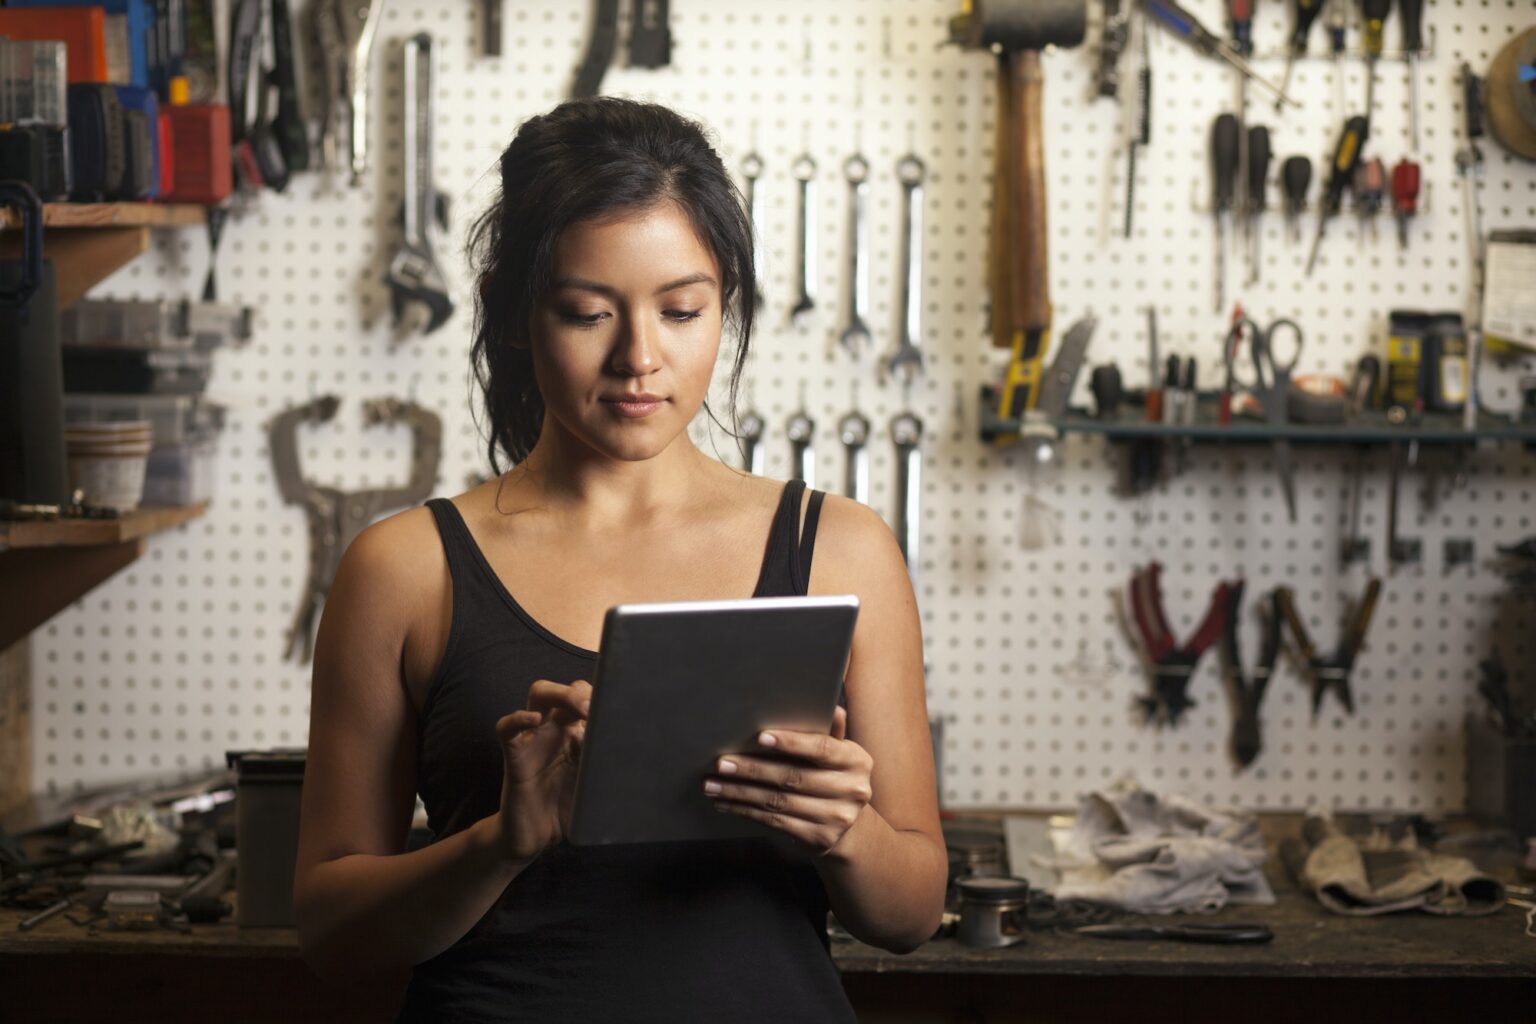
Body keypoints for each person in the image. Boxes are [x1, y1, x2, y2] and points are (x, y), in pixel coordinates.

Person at [292, 96, 946, 1022]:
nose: (640, 357)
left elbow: (910, 914)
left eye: (682, 310)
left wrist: (845, 831)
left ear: (724, 306)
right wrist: (501, 844)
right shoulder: (404, 570)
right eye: (587, 313)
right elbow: (331, 935)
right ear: (513, 312)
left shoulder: (840, 550)